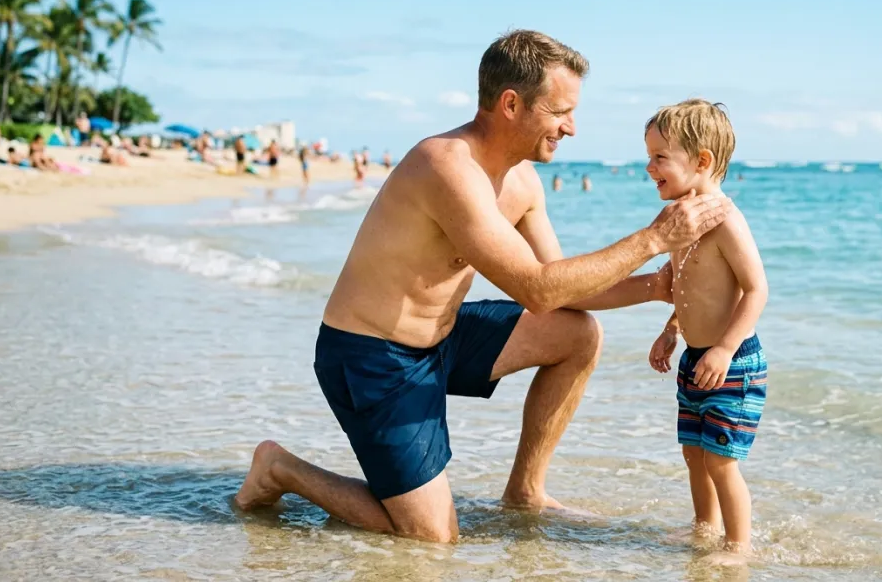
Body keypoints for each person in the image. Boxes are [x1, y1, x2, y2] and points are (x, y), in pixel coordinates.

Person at [234, 29, 732, 543]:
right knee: (431, 538)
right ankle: (281, 470)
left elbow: (561, 288)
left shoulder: (522, 182)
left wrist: (655, 285)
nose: (572, 127)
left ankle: (526, 490)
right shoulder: (445, 165)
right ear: (511, 104)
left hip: (440, 340)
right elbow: (536, 290)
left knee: (577, 335)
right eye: (560, 111)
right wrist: (652, 238)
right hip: (371, 357)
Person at [643, 99, 768, 553]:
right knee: (693, 454)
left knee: (720, 459)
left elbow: (757, 290)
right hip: (696, 358)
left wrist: (725, 349)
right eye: (648, 155)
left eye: (660, 157)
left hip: (732, 362)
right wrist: (672, 328)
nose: (648, 166)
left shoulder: (726, 221)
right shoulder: (681, 220)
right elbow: (686, 285)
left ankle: (738, 547)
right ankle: (704, 529)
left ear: (702, 161)